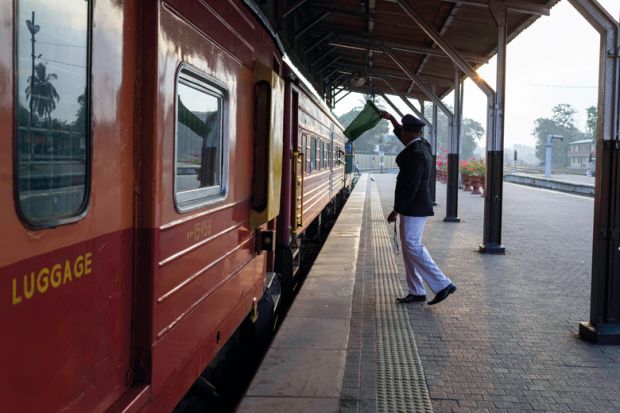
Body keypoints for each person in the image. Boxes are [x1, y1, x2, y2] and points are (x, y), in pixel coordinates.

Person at [380, 111, 456, 305]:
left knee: (412, 245)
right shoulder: (422, 145)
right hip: (414, 206)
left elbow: (410, 186)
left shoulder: (415, 154)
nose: (401, 135)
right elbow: (403, 134)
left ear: (409, 133)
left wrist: (397, 209)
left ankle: (442, 284)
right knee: (408, 247)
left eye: (403, 132)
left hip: (414, 207)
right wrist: (392, 120)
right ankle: (417, 291)